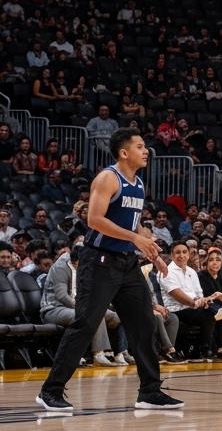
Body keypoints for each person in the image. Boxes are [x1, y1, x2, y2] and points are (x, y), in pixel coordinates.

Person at [35, 129, 183, 412]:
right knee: (86, 324)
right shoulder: (107, 178)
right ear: (124, 152)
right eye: (140, 146)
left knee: (145, 324)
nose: (146, 150)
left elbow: (135, 226)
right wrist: (134, 238)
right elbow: (94, 219)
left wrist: (152, 250)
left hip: (127, 263)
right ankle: (50, 390)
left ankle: (150, 392)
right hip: (98, 260)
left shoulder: (138, 184)